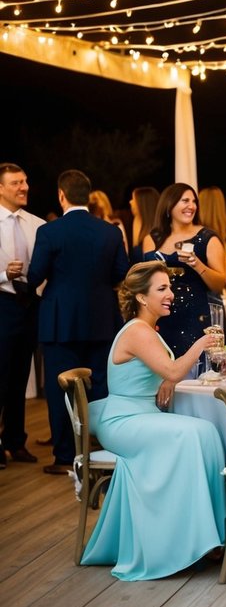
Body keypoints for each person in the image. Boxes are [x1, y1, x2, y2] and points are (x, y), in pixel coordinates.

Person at [80, 260, 226, 580]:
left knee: (206, 431)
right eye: (162, 289)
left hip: (141, 415)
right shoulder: (136, 331)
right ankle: (190, 540)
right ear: (141, 298)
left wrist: (168, 380)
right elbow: (173, 369)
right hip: (124, 422)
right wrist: (202, 343)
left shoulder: (147, 330)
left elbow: (162, 372)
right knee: (192, 435)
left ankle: (211, 536)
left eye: (169, 288)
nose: (171, 294)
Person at [27, 169, 129, 474]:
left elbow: (35, 276)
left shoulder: (50, 232)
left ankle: (64, 457)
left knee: (61, 390)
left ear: (62, 195)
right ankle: (100, 452)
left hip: (60, 321)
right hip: (102, 318)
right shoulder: (110, 231)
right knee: (100, 386)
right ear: (88, 195)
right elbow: (120, 273)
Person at [140, 183, 226, 360]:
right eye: (185, 201)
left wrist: (197, 265)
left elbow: (220, 284)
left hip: (196, 315)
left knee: (197, 370)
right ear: (169, 204)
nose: (191, 206)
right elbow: (145, 279)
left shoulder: (207, 238)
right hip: (161, 316)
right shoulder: (152, 239)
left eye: (194, 201)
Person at [0, 163, 44, 470]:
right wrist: (4, 273)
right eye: (16, 182)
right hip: (1, 303)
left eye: (25, 181)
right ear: (0, 188)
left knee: (19, 377)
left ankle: (15, 442)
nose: (24, 187)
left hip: (29, 307)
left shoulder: (38, 224)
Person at [88, 189, 130, 255]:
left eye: (100, 213)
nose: (97, 217)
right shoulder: (88, 229)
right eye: (94, 212)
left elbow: (124, 253)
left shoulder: (116, 225)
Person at [128, 186, 160, 264]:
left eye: (133, 199)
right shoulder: (137, 225)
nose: (130, 202)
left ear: (143, 204)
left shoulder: (154, 237)